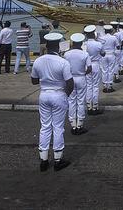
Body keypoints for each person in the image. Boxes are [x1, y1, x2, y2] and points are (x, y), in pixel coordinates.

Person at [31, 32, 74, 172]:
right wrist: (65, 95)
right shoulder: (63, 62)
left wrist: (45, 79)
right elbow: (70, 83)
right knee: (58, 127)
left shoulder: (38, 61)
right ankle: (58, 159)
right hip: (59, 94)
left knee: (45, 126)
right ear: (58, 46)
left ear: (47, 46)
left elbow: (34, 81)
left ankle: (43, 160)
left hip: (44, 95)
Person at [64, 33, 91, 135]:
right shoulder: (85, 54)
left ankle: (73, 124)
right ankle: (80, 124)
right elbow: (89, 68)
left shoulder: (67, 54)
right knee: (80, 101)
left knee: (71, 101)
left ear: (72, 42)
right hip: (81, 78)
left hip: (70, 78)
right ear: (81, 43)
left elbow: (64, 67)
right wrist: (83, 73)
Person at [83, 25, 104, 115]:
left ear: (86, 35)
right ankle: (95, 106)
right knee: (95, 86)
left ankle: (89, 106)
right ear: (94, 34)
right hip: (95, 64)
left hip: (87, 66)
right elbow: (103, 54)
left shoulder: (84, 44)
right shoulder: (98, 44)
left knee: (88, 86)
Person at [100, 25, 119, 93]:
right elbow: (118, 46)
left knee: (104, 70)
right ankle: (110, 86)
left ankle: (105, 86)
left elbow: (100, 47)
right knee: (111, 70)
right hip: (111, 55)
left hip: (103, 55)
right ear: (111, 31)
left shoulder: (101, 38)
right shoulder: (114, 38)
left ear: (104, 31)